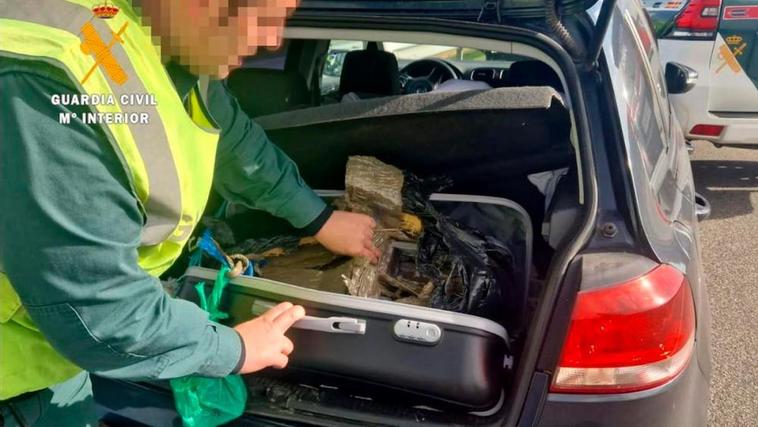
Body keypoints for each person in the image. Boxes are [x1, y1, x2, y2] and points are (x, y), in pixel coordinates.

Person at [0, 0, 380, 425]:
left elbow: (236, 143)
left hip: (51, 357)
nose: (272, 39)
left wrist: (319, 219)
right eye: (262, 14)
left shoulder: (162, 48)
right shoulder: (54, 80)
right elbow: (98, 312)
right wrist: (233, 349)